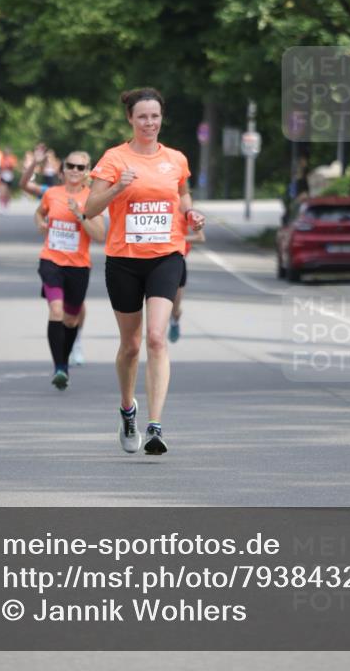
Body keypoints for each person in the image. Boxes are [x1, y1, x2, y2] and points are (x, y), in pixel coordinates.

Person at [85, 87, 205, 456]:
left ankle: (155, 425)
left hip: (166, 255)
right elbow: (90, 208)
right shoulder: (114, 159)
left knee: (156, 338)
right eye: (142, 117)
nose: (149, 123)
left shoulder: (176, 159)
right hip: (124, 259)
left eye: (155, 116)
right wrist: (117, 188)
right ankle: (127, 409)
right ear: (130, 119)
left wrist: (190, 214)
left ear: (161, 118)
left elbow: (182, 195)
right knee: (131, 345)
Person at [36, 151, 105, 389]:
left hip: (78, 266)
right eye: (70, 166)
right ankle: (59, 367)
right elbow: (39, 213)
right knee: (56, 311)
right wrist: (40, 224)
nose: (75, 170)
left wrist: (80, 215)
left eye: (80, 167)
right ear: (62, 169)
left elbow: (99, 236)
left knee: (71, 318)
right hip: (51, 261)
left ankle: (64, 359)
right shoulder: (52, 194)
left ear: (87, 172)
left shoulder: (92, 199)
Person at [168, 223, 206, 342]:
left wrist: (171, 238)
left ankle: (174, 321)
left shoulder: (185, 211)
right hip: (151, 260)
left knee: (175, 308)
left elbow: (200, 237)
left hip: (177, 260)